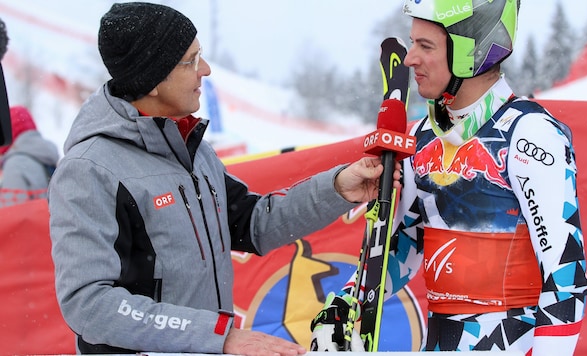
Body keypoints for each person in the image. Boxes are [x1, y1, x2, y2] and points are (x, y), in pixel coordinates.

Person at [47, 2, 401, 355]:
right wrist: (218, 336)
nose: (206, 69)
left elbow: (254, 224)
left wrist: (338, 187)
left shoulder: (192, 150)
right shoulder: (89, 169)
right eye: (191, 60)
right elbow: (88, 304)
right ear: (152, 80)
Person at [310, 0, 587, 354]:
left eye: (425, 46)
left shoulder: (529, 134)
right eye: (412, 43)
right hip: (440, 339)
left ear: (472, 53)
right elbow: (404, 244)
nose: (410, 58)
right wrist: (346, 303)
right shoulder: (424, 135)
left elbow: (567, 273)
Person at [0, 106, 59, 207]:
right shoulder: (45, 156)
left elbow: (12, 214)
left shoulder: (15, 164)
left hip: (31, 222)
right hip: (50, 220)